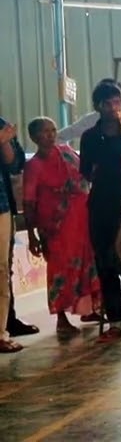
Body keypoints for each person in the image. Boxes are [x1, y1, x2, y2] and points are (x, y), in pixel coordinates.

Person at [23, 116, 101, 336]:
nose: (50, 135)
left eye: (53, 130)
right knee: (61, 268)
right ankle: (61, 317)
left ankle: (90, 308)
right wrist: (32, 235)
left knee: (88, 262)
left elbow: (86, 174)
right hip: (56, 226)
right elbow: (29, 202)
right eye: (44, 132)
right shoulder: (33, 166)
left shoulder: (67, 151)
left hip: (82, 217)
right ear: (33, 137)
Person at [79, 78, 121, 341]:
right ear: (98, 106)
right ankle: (117, 320)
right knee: (105, 262)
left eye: (117, 101)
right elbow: (87, 172)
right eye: (108, 102)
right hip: (101, 204)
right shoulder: (90, 136)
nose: (114, 107)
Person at [0, 119, 32, 352]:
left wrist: (4, 142)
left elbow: (15, 165)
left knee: (1, 270)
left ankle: (1, 332)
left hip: (1, 206)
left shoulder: (2, 125)